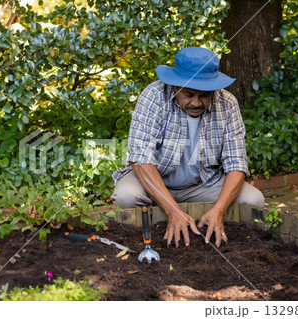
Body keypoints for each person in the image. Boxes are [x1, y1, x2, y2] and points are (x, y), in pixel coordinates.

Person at [111, 47, 264, 249]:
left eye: (204, 95)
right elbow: (141, 159)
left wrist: (219, 210)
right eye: (189, 94)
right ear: (176, 87)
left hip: (203, 182)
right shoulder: (154, 97)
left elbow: (236, 164)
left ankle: (205, 219)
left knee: (254, 200)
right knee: (126, 196)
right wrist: (172, 211)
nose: (196, 102)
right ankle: (157, 225)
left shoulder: (228, 103)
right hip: (156, 180)